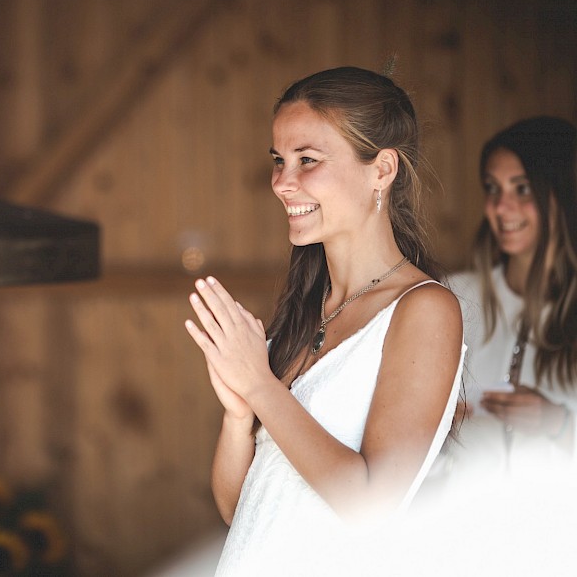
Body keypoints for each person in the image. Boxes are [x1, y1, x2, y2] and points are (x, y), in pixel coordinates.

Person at [184, 66, 464, 573]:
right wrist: (238, 412)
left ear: (382, 170)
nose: (281, 183)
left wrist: (262, 388)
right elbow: (237, 510)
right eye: (278, 160)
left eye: (307, 160)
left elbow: (368, 507)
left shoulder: (425, 309)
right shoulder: (305, 310)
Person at [447, 117, 577, 475]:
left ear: (562, 194)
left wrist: (558, 423)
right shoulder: (455, 297)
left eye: (521, 189)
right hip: (465, 513)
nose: (501, 207)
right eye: (492, 188)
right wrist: (436, 422)